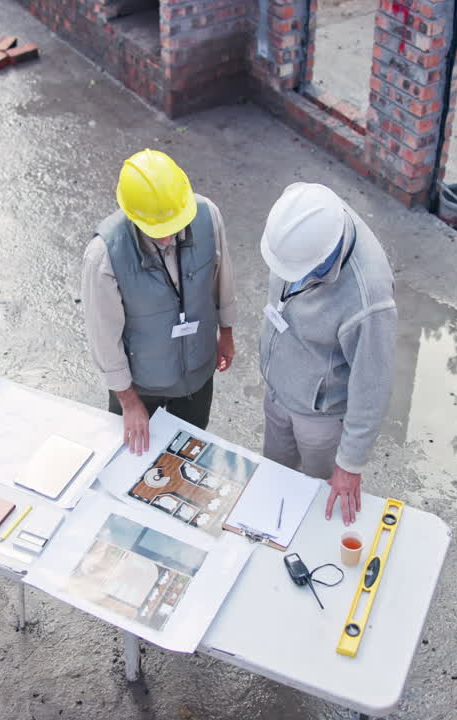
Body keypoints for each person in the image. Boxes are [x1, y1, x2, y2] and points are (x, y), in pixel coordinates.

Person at [258, 182, 397, 525]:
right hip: (277, 393)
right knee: (273, 483)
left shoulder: (369, 301)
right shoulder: (306, 214)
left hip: (319, 419)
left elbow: (373, 387)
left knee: (316, 505)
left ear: (325, 258)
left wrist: (349, 464)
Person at [81, 149, 236, 455]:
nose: (167, 238)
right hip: (140, 386)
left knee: (187, 458)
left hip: (197, 376)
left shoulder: (208, 216)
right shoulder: (103, 257)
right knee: (129, 465)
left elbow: (223, 279)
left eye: (172, 227)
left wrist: (226, 333)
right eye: (157, 231)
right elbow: (104, 338)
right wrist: (128, 401)